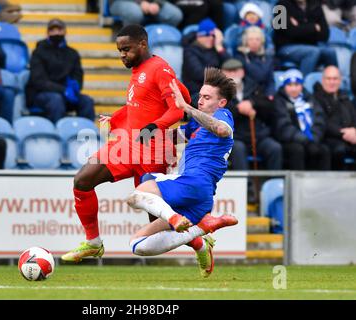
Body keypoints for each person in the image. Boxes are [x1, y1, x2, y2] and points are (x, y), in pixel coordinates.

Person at [61, 24, 192, 262]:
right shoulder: (140, 69)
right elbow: (141, 105)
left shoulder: (160, 69)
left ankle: (200, 240)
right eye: (120, 50)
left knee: (158, 222)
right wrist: (118, 118)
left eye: (127, 49)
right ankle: (93, 243)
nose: (123, 54)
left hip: (153, 151)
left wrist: (155, 126)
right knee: (82, 180)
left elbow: (178, 108)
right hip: (127, 146)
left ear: (143, 44)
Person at [125, 68, 238, 278]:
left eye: (207, 97)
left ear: (221, 102)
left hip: (194, 183)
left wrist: (186, 107)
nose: (201, 101)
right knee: (138, 245)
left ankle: (180, 220)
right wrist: (140, 130)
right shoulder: (199, 124)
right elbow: (172, 136)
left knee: (136, 196)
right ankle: (199, 234)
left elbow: (222, 130)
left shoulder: (223, 115)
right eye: (200, 96)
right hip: (198, 196)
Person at [26, 19, 95, 124]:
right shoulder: (38, 52)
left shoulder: (72, 53)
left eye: (59, 30)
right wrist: (63, 90)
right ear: (48, 33)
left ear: (65, 32)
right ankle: (58, 135)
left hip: (66, 93)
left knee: (87, 101)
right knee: (56, 100)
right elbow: (39, 81)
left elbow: (78, 75)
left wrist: (75, 87)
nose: (56, 33)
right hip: (42, 94)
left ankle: (87, 134)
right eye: (52, 30)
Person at [221, 59, 282, 170]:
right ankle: (245, 186)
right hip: (235, 137)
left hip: (257, 135)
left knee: (275, 148)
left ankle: (273, 185)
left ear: (242, 72)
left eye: (236, 70)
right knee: (238, 149)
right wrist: (238, 110)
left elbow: (268, 106)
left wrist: (252, 103)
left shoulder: (254, 86)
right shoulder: (218, 92)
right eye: (229, 71)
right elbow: (218, 114)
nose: (233, 74)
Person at [273, 69, 331, 170]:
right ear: (284, 86)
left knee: (324, 150)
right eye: (290, 85)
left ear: (302, 86)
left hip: (312, 139)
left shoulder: (309, 98)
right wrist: (305, 140)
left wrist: (315, 138)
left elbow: (320, 119)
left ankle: (323, 183)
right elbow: (284, 126)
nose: (293, 89)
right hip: (290, 141)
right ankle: (298, 184)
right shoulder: (279, 101)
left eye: (296, 85)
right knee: (297, 150)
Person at [273, 0, 337, 76]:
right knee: (312, 52)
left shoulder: (315, 6)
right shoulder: (279, 6)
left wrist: (298, 27)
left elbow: (325, 35)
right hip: (285, 48)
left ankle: (334, 81)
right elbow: (283, 31)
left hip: (310, 46)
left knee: (330, 52)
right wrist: (313, 27)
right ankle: (304, 85)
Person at [313, 66, 356, 169]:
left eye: (335, 79)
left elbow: (354, 117)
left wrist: (354, 131)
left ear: (340, 81)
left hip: (349, 138)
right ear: (323, 80)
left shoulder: (345, 98)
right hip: (329, 139)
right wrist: (344, 133)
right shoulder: (316, 98)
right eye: (329, 78)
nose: (332, 82)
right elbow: (323, 123)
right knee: (338, 150)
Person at [182, 18, 229, 105]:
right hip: (196, 94)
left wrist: (219, 47)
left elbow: (231, 66)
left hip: (215, 92)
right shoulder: (190, 51)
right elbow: (200, 74)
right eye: (207, 35)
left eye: (213, 36)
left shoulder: (216, 49)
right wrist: (223, 74)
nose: (211, 38)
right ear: (199, 36)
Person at [109, 0, 183, 27]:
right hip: (122, 2)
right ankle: (129, 43)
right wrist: (140, 2)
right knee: (135, 13)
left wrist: (157, 3)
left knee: (175, 15)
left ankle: (159, 42)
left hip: (151, 2)